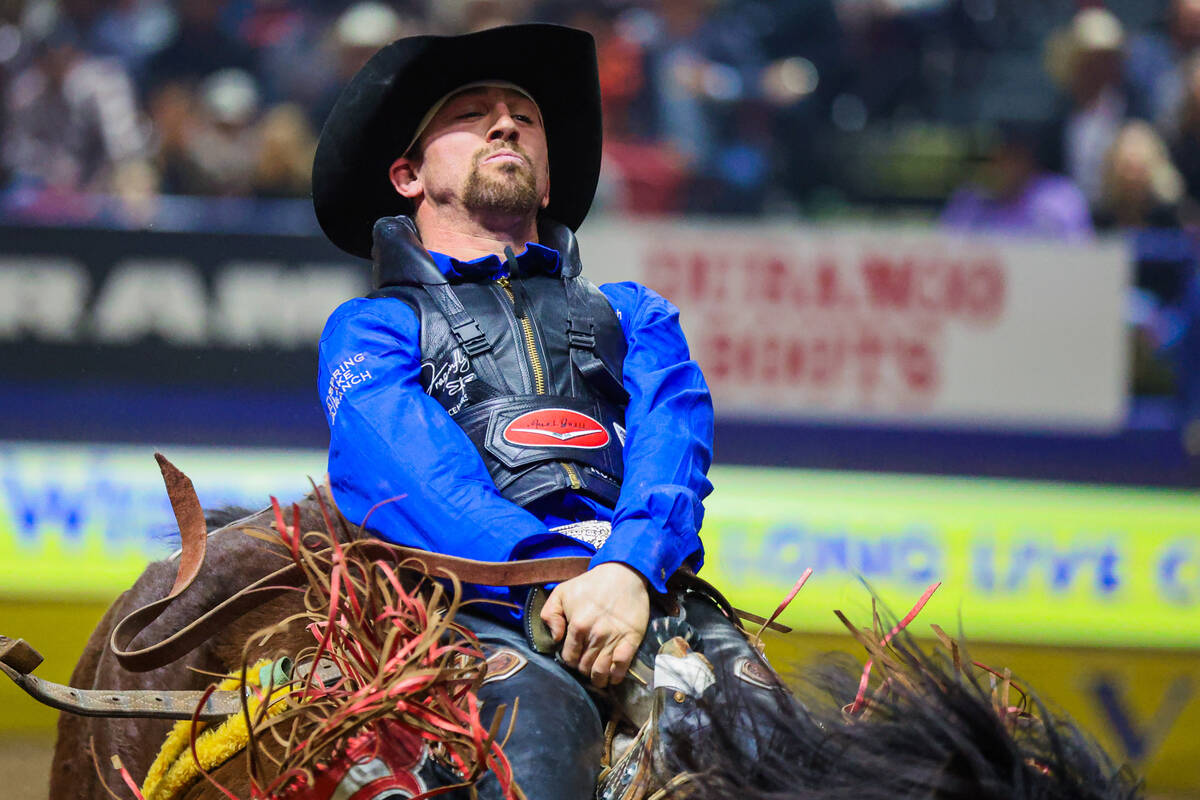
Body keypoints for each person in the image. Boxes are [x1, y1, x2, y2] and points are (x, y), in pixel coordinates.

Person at [311, 23, 785, 799]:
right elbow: (409, 477)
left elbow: (674, 442)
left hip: (649, 594)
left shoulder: (636, 313)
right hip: (475, 610)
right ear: (406, 175)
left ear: (547, 181)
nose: (505, 124)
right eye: (471, 114)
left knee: (781, 743)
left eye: (523, 119)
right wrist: (551, 580)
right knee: (533, 739)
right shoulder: (371, 328)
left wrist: (627, 570)